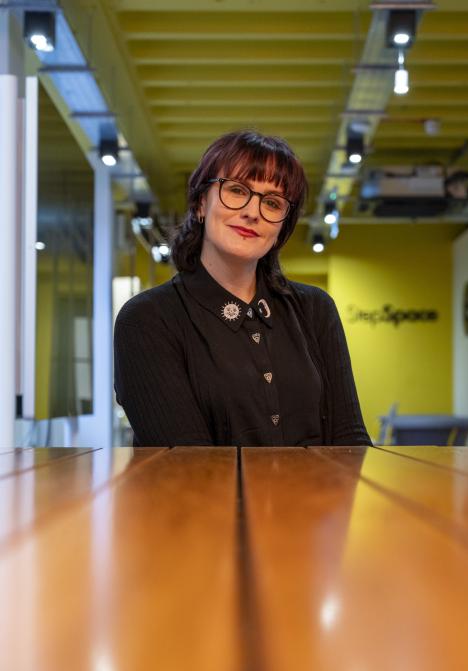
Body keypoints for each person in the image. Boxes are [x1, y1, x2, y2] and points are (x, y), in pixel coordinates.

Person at [114, 130, 371, 447]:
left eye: (272, 202)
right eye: (237, 190)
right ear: (200, 204)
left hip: (318, 497)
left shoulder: (316, 309)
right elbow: (186, 467)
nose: (252, 212)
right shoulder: (146, 320)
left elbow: (351, 442)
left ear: (281, 228)